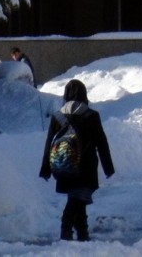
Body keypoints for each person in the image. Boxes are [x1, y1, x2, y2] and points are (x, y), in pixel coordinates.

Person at [39, 79, 115, 241]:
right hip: (85, 167)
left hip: (64, 165)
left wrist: (46, 168)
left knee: (77, 198)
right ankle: (66, 230)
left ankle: (83, 234)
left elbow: (49, 144)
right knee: (77, 200)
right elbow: (101, 142)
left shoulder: (58, 117)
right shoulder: (92, 116)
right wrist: (108, 167)